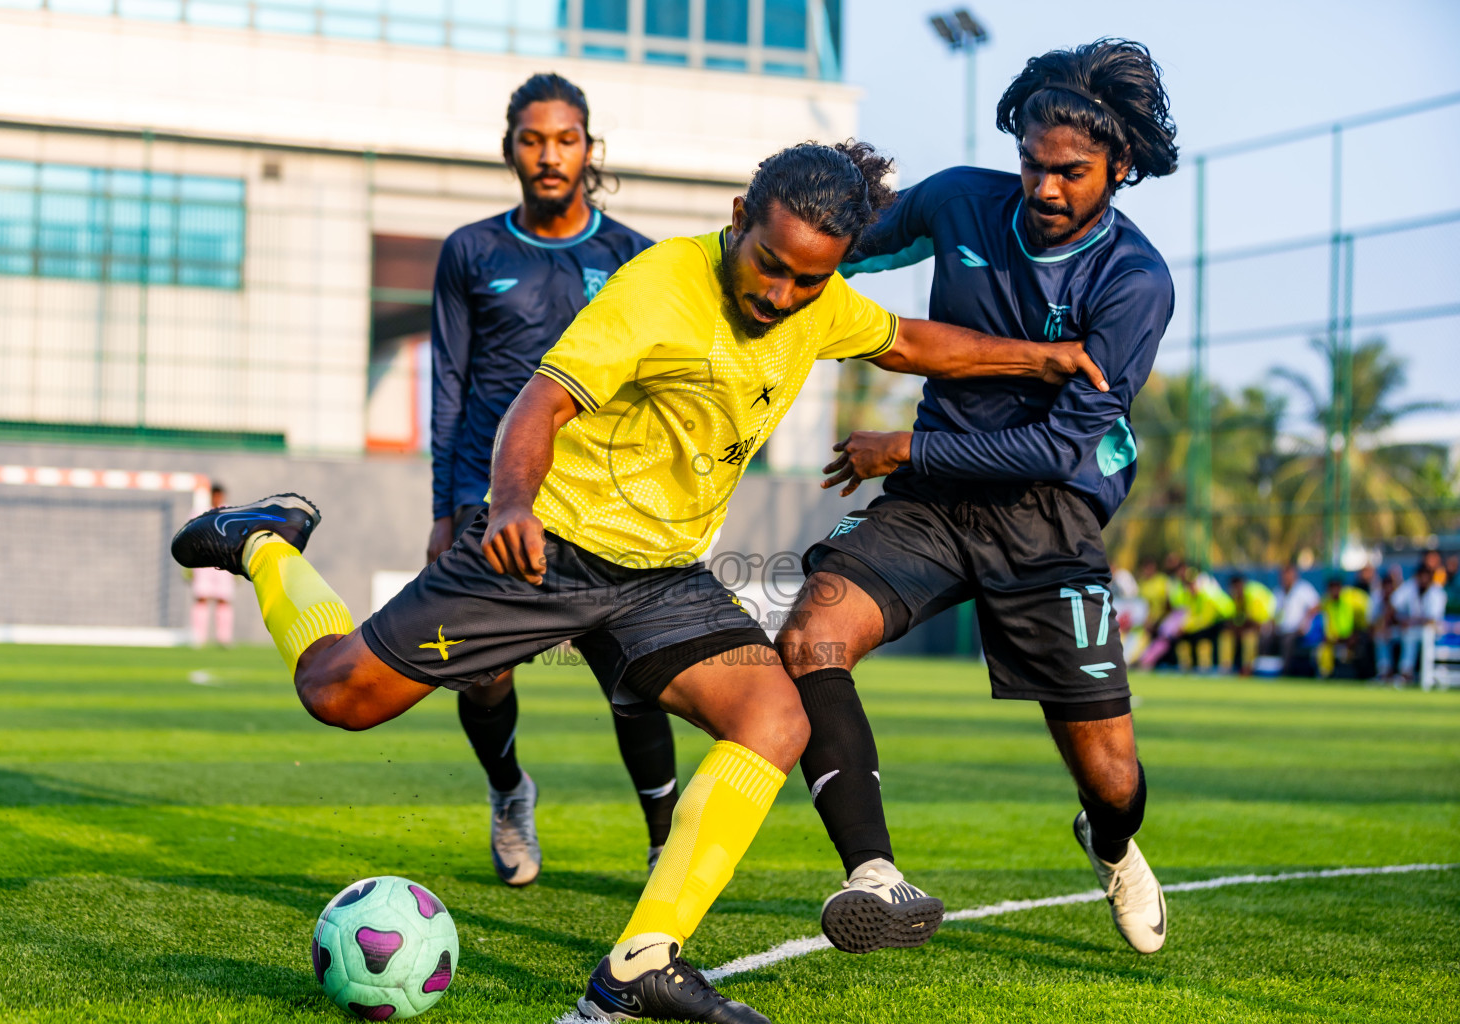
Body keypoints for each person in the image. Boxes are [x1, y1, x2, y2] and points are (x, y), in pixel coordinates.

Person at [171, 140, 1107, 1023]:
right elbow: (541, 399)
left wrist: (1044, 358)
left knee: (774, 718)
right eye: (770, 265)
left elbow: (903, 340)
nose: (782, 294)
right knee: (338, 695)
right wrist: (508, 505)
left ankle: (641, 963)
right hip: (551, 550)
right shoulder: (659, 288)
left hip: (662, 575)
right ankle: (266, 542)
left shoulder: (818, 301)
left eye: (808, 278)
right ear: (740, 217)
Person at [775, 39, 1178, 957]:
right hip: (931, 502)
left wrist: (907, 444)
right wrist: (765, 248)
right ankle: (873, 878)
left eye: (1070, 172)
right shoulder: (960, 199)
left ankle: (1109, 845)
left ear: (1121, 168)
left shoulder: (1133, 283)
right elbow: (837, 253)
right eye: (1032, 164)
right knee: (809, 638)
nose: (1042, 187)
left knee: (1113, 780)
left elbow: (1060, 444)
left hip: (1050, 517)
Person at [427, 73, 674, 887]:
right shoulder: (471, 251)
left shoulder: (629, 254)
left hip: (602, 501)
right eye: (532, 140)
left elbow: (649, 387)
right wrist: (446, 509)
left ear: (588, 148)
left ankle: (663, 840)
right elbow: (450, 389)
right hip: (490, 497)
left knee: (633, 673)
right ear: (510, 150)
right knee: (481, 671)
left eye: (565, 139)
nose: (549, 156)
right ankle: (508, 793)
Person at [189, 484, 235, 647]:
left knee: (223, 599)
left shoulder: (229, 512)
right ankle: (198, 638)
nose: (217, 499)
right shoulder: (199, 512)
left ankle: (224, 639)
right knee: (201, 597)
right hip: (204, 561)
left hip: (223, 560)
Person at [1392, 562, 1448, 684]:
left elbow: (1431, 620)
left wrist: (1410, 621)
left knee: (1420, 633)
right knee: (1391, 635)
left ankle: (1412, 673)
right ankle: (1404, 673)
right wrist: (1401, 621)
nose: (1423, 579)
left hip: (1435, 631)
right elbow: (1394, 604)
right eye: (1421, 576)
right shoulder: (1410, 587)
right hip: (1414, 629)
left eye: (1426, 576)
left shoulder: (1437, 593)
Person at [1266, 563, 1320, 676]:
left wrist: (1305, 621)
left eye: (1288, 574)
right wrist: (1271, 626)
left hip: (1297, 631)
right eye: (1283, 575)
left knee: (1288, 641)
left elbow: (1316, 606)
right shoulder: (1278, 592)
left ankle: (1284, 672)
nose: (1286, 578)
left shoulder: (1303, 589)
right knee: (1264, 638)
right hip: (1281, 630)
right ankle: (1263, 670)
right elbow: (1273, 614)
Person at [1316, 575, 1371, 679]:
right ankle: (1326, 675)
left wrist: (1355, 635)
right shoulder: (1326, 602)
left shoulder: (1352, 599)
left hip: (1353, 636)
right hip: (1336, 639)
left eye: (1336, 587)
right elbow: (1328, 624)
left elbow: (1362, 620)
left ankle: (1363, 676)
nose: (1334, 590)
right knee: (1323, 650)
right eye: (1331, 587)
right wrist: (1333, 638)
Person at [1223, 574, 1276, 676]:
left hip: (1269, 626)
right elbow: (1232, 621)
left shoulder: (1254, 595)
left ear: (1242, 585)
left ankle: (1248, 669)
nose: (1235, 592)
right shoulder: (1234, 598)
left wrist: (1242, 630)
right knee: (1226, 635)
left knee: (1249, 637)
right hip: (1247, 628)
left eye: (1237, 588)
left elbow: (1258, 624)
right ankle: (1226, 669)